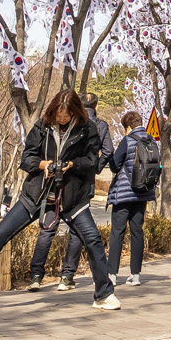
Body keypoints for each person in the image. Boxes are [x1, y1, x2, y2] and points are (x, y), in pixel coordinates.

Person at [0, 88, 119, 314]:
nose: (62, 119)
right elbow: (27, 158)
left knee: (93, 239)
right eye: (58, 114)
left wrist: (71, 164)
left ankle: (104, 295)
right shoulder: (42, 126)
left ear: (75, 112)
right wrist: (43, 165)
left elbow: (92, 161)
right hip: (35, 195)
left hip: (72, 196)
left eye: (66, 116)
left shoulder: (88, 130)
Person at [49, 91, 113, 290]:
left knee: (50, 222)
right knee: (82, 229)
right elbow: (109, 151)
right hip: (83, 180)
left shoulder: (69, 120)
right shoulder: (100, 125)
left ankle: (37, 273)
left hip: (56, 178)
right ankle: (68, 275)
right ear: (96, 106)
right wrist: (95, 167)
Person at [105, 110, 160, 286]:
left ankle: (112, 274)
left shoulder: (127, 141)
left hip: (123, 194)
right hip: (142, 194)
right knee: (137, 232)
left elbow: (114, 166)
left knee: (117, 232)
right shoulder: (151, 141)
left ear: (128, 127)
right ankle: (135, 275)